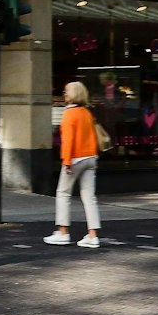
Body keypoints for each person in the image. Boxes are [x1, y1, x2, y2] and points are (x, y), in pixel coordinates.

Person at [44, 81, 101, 248]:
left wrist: (66, 161)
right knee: (89, 197)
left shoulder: (69, 114)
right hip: (91, 157)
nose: (64, 94)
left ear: (72, 95)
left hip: (75, 158)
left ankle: (63, 232)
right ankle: (93, 235)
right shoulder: (87, 113)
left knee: (63, 193)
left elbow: (67, 141)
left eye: (66, 92)